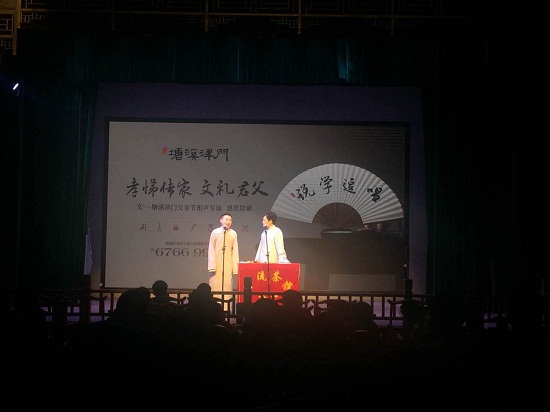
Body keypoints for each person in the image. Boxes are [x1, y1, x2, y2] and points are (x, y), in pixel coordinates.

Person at [207, 212, 240, 294]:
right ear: (221, 220)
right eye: (226, 220)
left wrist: (235, 268)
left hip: (228, 263)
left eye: (230, 220)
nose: (228, 222)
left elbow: (235, 251)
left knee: (227, 284)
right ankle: (214, 301)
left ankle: (226, 302)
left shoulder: (233, 233)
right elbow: (211, 249)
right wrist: (212, 266)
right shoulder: (215, 232)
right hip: (217, 263)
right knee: (215, 284)